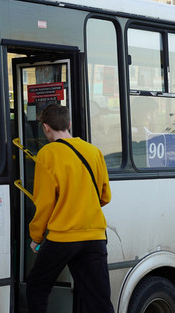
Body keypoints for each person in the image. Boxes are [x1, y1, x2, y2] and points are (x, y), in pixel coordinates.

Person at [26, 104, 113, 313]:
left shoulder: (47, 154)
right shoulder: (94, 151)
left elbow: (44, 203)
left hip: (63, 238)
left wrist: (36, 238)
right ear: (69, 124)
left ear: (46, 128)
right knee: (98, 299)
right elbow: (105, 196)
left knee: (36, 286)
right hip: (95, 236)